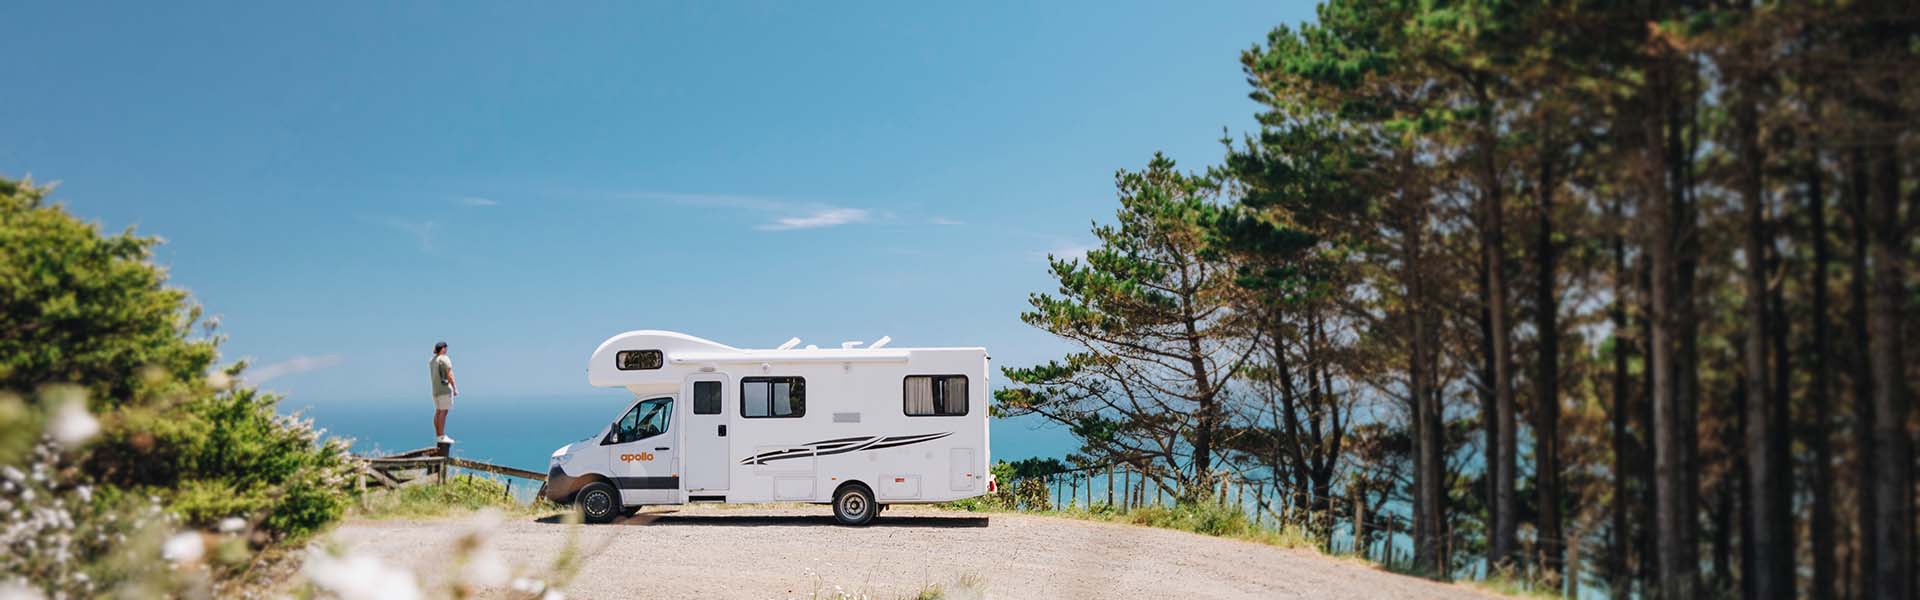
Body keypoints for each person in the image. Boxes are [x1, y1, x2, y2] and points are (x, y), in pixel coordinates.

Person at [429, 341, 458, 444]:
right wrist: (454, 388)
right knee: (444, 412)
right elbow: (449, 374)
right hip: (444, 389)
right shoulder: (444, 358)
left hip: (435, 390)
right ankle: (442, 436)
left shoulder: (432, 360)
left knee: (438, 411)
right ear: (443, 349)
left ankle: (438, 435)